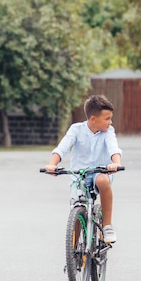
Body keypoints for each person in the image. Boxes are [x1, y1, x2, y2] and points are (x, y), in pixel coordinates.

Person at [44, 94, 123, 243]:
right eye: (107, 118)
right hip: (79, 175)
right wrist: (52, 164)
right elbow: (62, 148)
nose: (110, 122)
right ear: (93, 119)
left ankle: (107, 225)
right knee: (78, 207)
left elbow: (114, 148)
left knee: (102, 180)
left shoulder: (108, 132)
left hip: (100, 171)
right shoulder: (76, 129)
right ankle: (72, 254)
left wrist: (116, 163)